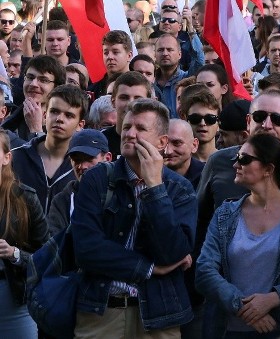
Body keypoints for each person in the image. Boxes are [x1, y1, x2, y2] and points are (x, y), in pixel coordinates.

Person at [71, 98, 197, 337]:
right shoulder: (96, 179)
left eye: (140, 129)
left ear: (162, 142)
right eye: (127, 127)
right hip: (102, 310)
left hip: (160, 315)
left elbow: (174, 252)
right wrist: (149, 268)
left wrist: (155, 189)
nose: (130, 133)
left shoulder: (179, 188)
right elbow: (86, 249)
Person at [196, 133, 280, 337]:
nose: (235, 165)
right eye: (236, 158)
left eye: (244, 159)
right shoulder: (225, 213)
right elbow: (204, 271)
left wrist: (275, 298)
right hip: (227, 330)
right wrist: (243, 307)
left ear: (269, 169)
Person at [196, 90, 280, 252]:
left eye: (277, 119)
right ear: (248, 121)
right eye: (259, 117)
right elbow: (199, 220)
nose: (266, 125)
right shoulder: (218, 162)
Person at [0, 131, 48, 338]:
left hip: (13, 294)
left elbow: (47, 255)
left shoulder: (24, 198)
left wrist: (15, 254)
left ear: (6, 157)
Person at [12, 84, 87, 214]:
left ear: (80, 125)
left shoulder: (83, 166)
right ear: (45, 115)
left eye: (69, 115)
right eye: (54, 111)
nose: (59, 119)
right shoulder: (16, 157)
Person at [46, 129, 112, 236]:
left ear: (107, 158)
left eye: (89, 159)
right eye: (77, 160)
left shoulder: (122, 194)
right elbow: (55, 245)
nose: (82, 166)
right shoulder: (62, 201)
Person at [3, 55, 65, 141]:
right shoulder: (10, 121)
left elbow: (46, 154)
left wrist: (36, 130)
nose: (33, 84)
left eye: (43, 80)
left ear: (57, 87)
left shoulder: (62, 124)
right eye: (30, 77)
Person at [165, 119, 205, 189]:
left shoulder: (207, 176)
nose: (168, 151)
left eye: (177, 143)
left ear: (194, 145)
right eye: (163, 143)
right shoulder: (146, 176)